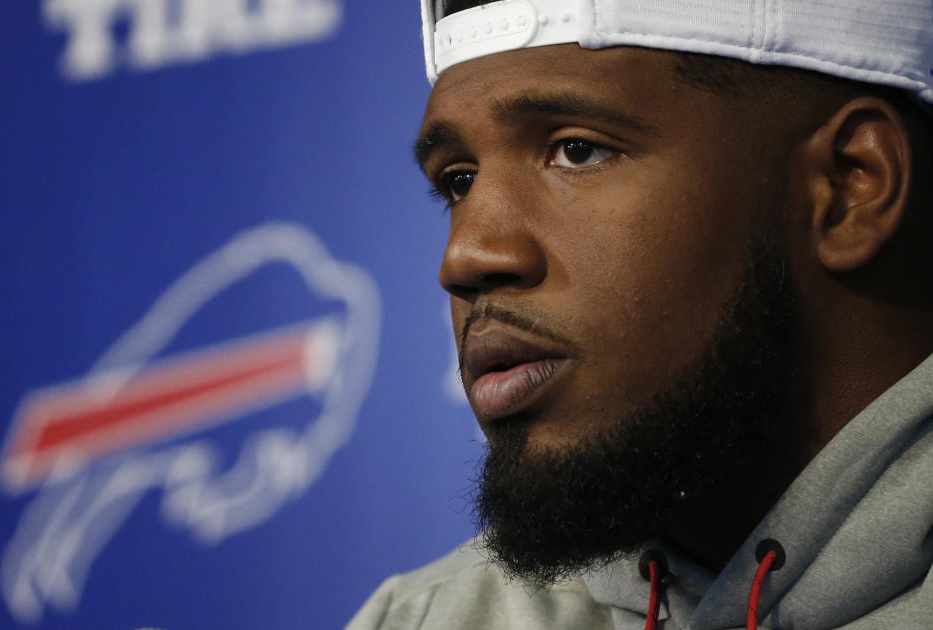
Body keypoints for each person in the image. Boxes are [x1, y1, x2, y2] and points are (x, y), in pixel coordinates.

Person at [349, 1, 933, 628]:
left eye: (576, 151)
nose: (464, 257)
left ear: (849, 186)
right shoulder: (431, 618)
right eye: (460, 182)